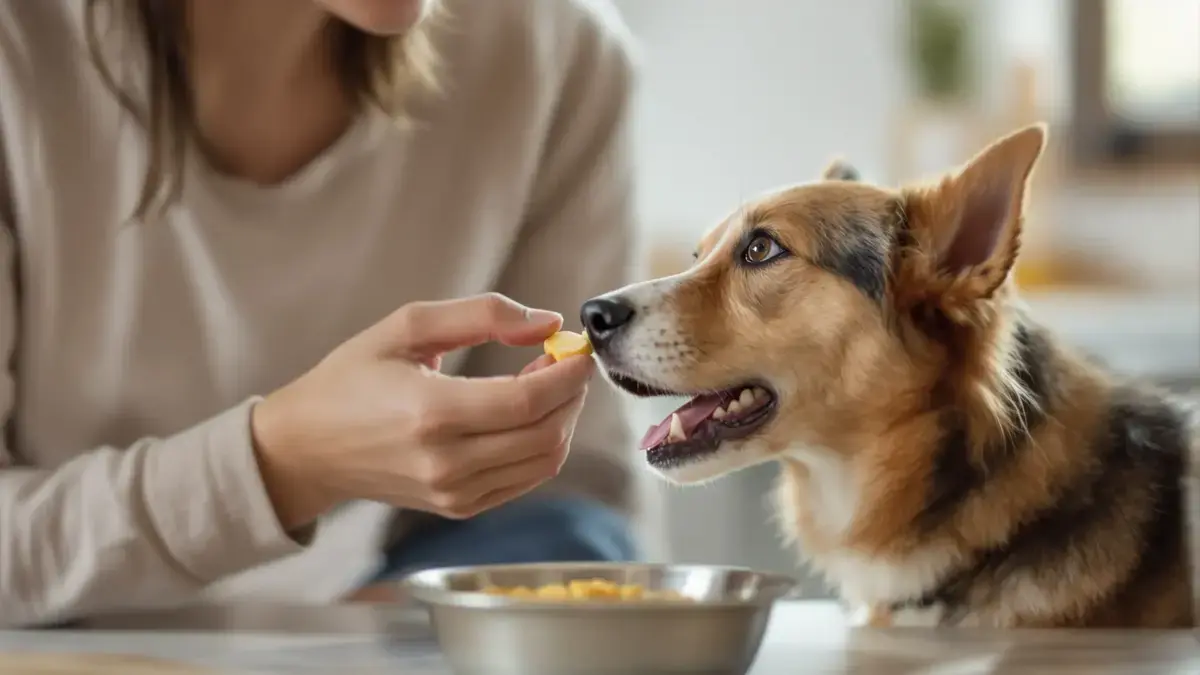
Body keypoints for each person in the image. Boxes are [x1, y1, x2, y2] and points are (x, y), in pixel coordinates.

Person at [0, 0, 639, 627]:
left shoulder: (556, 46)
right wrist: (278, 466)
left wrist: (385, 635)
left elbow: (568, 498)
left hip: (373, 609)